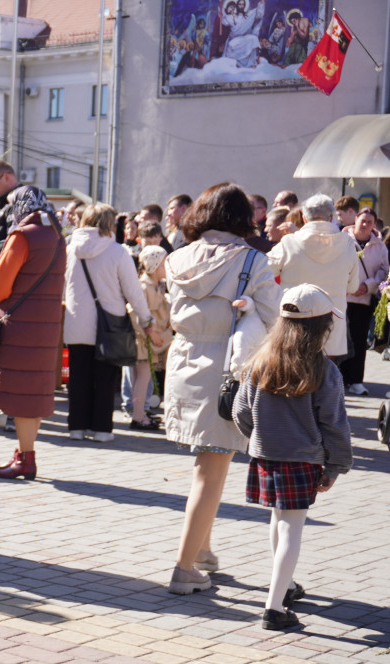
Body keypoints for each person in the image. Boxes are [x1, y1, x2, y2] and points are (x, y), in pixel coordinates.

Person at [163, 183, 281, 595]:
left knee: (206, 466)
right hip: (226, 370)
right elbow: (272, 317)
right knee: (210, 473)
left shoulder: (177, 258)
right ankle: (183, 568)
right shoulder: (253, 261)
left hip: (183, 362)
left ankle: (202, 551)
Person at [232, 284, 352, 630]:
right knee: (291, 528)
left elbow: (241, 411)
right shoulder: (324, 371)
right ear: (322, 327)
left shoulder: (260, 362)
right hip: (303, 457)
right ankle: (274, 607)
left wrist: (259, 438)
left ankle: (283, 586)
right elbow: (334, 424)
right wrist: (336, 465)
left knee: (278, 520)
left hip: (266, 455)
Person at [0, 186, 66, 479]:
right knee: (34, 392)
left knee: (22, 393)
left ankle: (26, 458)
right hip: (46, 326)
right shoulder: (56, 235)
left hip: (20, 326)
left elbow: (0, 284)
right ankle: (24, 453)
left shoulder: (23, 235)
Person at [63, 203, 159, 442]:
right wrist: (146, 319)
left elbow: (63, 286)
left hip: (76, 321)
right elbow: (133, 292)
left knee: (78, 377)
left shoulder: (70, 249)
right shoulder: (118, 252)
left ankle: (77, 427)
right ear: (110, 223)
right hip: (110, 323)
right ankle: (102, 429)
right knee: (105, 379)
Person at [266, 194, 360, 360]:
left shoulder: (289, 243)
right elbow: (353, 287)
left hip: (295, 324)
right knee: (327, 380)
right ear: (331, 217)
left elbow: (263, 273)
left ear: (304, 218)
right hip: (331, 327)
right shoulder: (347, 244)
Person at [340, 208, 388, 395]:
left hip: (364, 298)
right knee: (341, 339)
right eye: (363, 220)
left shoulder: (380, 246)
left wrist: (367, 286)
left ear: (374, 224)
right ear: (356, 220)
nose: (366, 224)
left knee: (359, 341)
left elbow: (383, 271)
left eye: (370, 221)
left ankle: (356, 380)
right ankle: (340, 378)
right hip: (343, 296)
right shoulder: (343, 240)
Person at [129, 246, 173, 430]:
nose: (166, 268)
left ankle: (140, 413)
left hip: (150, 340)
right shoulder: (143, 287)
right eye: (164, 264)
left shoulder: (156, 286)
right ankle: (138, 417)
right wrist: (149, 331)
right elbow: (134, 312)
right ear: (154, 266)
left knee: (144, 379)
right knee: (142, 377)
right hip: (143, 341)